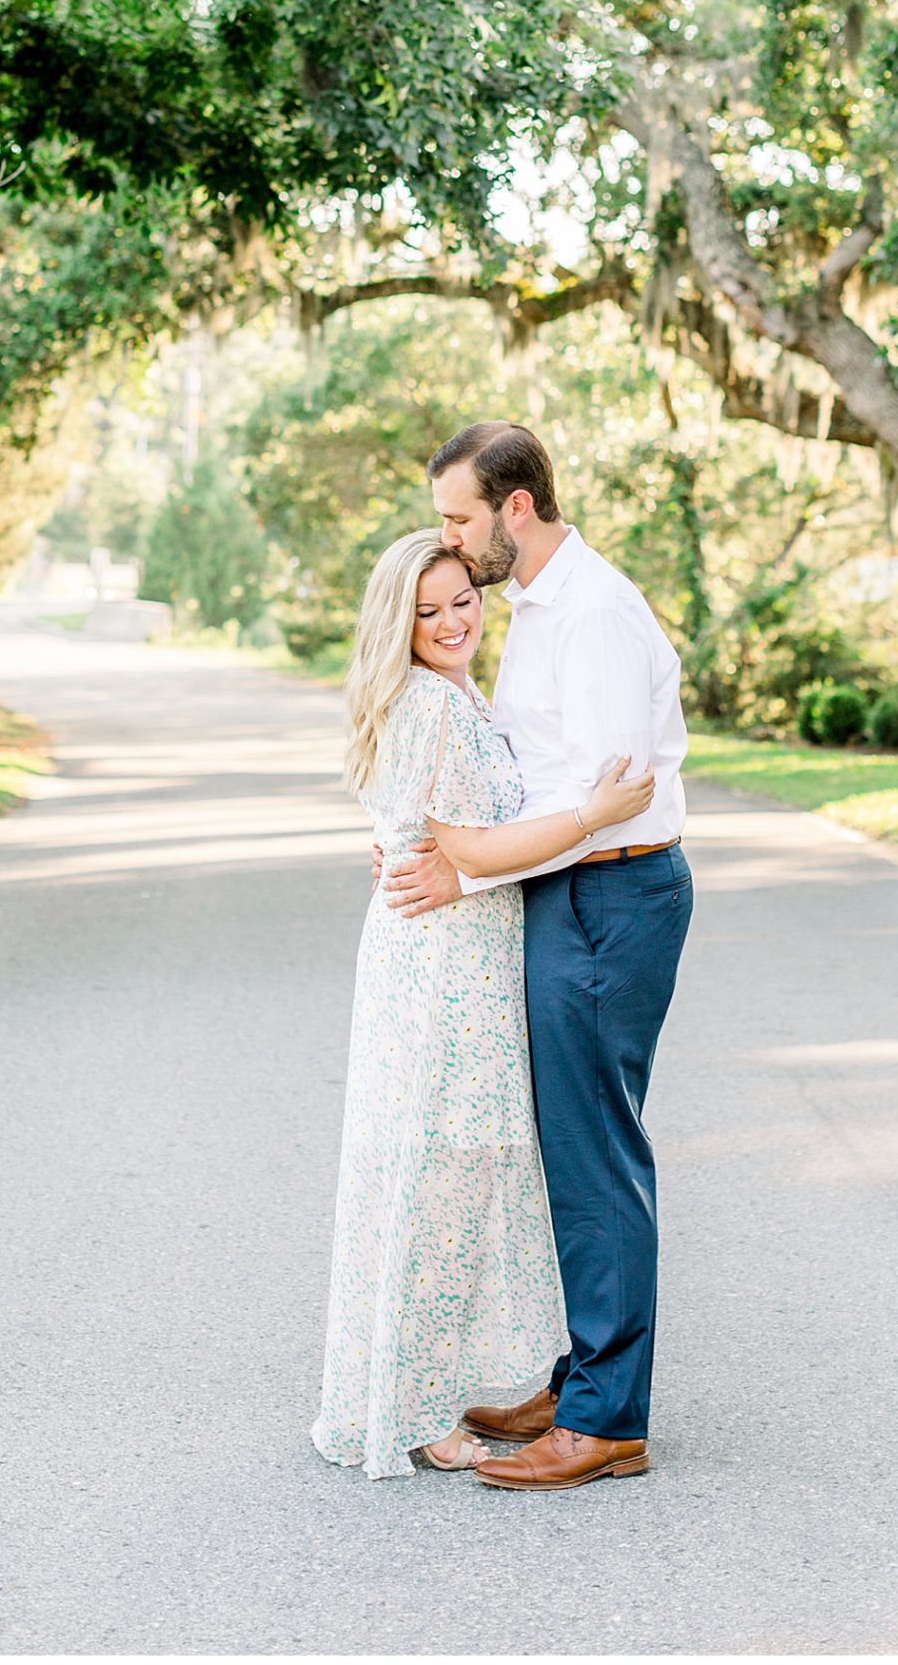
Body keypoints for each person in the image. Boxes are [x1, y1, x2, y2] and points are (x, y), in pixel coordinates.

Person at [384, 422, 693, 1492]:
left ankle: (609, 1418)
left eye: (461, 517)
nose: (452, 541)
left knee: (597, 1147)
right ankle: (582, 1376)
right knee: (569, 1142)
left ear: (516, 507)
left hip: (613, 889)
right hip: (567, 889)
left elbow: (603, 802)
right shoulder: (539, 606)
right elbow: (521, 770)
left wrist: (463, 873)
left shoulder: (596, 612)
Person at [311, 526, 655, 1481]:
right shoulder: (430, 703)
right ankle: (415, 1410)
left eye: (463, 600)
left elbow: (431, 831)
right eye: (427, 613)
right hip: (439, 976)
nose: (452, 621)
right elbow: (463, 846)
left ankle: (416, 1384)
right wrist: (591, 817)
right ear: (398, 626)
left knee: (444, 1182)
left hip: (456, 956)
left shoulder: (457, 693)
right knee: (439, 1184)